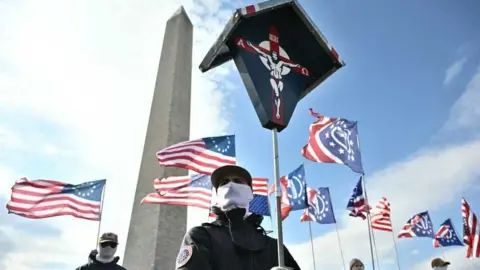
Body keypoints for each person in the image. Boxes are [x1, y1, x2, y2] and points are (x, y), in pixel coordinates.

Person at [175, 165, 301, 270]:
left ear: (250, 192)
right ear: (217, 195)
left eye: (237, 181)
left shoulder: (274, 247)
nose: (230, 185)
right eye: (224, 182)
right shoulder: (201, 236)